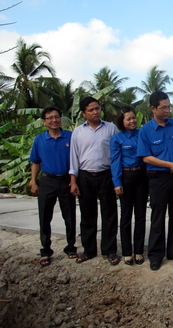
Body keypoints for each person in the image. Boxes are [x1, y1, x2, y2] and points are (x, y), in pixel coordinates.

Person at [136, 91, 173, 271]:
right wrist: (168, 165)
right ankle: (155, 255)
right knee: (158, 217)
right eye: (163, 108)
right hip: (158, 178)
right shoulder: (145, 130)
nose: (167, 111)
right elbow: (145, 157)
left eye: (169, 107)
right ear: (153, 109)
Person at [69, 97, 120, 265]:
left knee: (109, 215)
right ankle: (89, 250)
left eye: (97, 108)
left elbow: (116, 155)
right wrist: (73, 181)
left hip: (106, 176)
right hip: (85, 177)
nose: (95, 112)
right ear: (84, 113)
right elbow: (74, 157)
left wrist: (117, 179)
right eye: (91, 110)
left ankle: (110, 250)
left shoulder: (111, 128)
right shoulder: (78, 132)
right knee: (88, 215)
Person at [29, 107, 77, 266]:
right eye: (49, 118)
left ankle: (71, 247)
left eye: (56, 117)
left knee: (69, 216)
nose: (54, 120)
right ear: (44, 121)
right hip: (47, 181)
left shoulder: (70, 136)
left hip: (66, 180)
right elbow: (35, 161)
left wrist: (73, 180)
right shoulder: (39, 140)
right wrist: (33, 182)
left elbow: (75, 160)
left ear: (61, 119)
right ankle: (46, 251)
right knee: (44, 216)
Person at [110, 107, 149, 266]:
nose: (132, 121)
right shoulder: (117, 139)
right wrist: (117, 182)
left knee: (140, 216)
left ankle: (138, 251)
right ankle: (127, 253)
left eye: (133, 118)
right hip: (126, 178)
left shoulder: (142, 134)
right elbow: (115, 162)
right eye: (128, 119)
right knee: (125, 217)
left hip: (142, 177)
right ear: (122, 122)